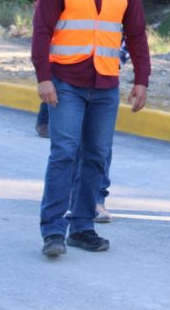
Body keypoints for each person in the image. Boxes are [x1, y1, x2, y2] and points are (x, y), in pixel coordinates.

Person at [32, 0, 151, 257]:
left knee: (97, 156)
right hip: (65, 80)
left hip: (105, 83)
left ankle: (82, 227)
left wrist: (141, 79)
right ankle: (54, 231)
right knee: (64, 154)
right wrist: (43, 78)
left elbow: (137, 34)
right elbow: (41, 31)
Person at [35, 41, 129, 223]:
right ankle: (56, 223)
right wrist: (45, 76)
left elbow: (131, 33)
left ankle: (93, 202)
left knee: (98, 148)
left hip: (103, 76)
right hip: (66, 75)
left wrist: (114, 63)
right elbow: (46, 31)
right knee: (66, 150)